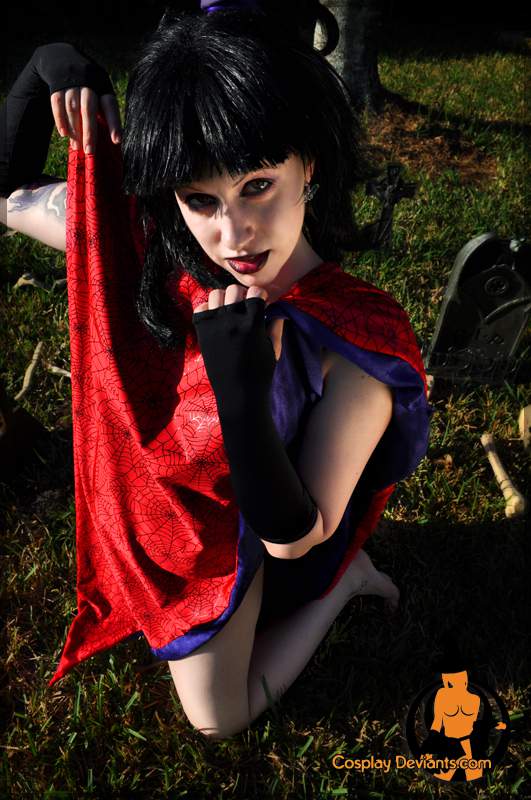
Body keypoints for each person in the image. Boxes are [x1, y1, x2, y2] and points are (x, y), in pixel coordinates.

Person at [1, 6, 431, 739]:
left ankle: (347, 586)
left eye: (257, 185)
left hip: (245, 540)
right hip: (153, 515)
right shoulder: (151, 252)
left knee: (216, 717)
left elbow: (296, 537)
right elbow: (8, 195)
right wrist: (46, 65)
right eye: (201, 199)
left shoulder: (349, 342)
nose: (233, 236)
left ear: (308, 166)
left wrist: (242, 395)